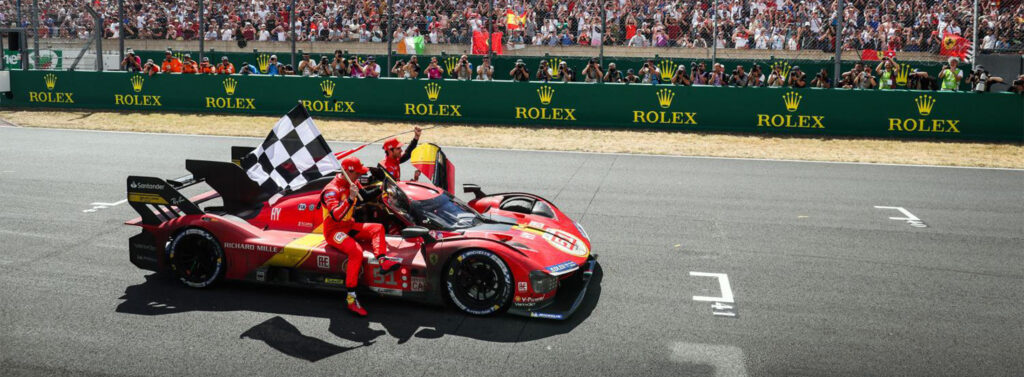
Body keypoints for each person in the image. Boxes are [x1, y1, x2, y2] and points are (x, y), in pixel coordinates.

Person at [320, 157, 400, 317]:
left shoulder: (352, 182)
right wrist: (350, 198)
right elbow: (336, 216)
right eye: (358, 173)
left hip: (349, 225)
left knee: (377, 228)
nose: (360, 176)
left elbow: (364, 195)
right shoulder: (331, 190)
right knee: (356, 252)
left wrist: (384, 188)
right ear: (348, 171)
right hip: (333, 231)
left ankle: (383, 261)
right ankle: (351, 299)